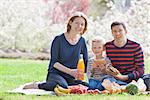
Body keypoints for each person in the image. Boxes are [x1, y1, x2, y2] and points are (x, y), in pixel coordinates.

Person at [23, 12, 89, 91]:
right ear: (70, 23)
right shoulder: (58, 39)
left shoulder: (82, 41)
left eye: (82, 24)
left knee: (88, 86)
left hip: (71, 77)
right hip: (56, 73)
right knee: (62, 86)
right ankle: (37, 85)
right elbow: (54, 62)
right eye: (77, 23)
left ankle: (66, 85)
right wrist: (70, 71)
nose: (79, 26)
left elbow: (86, 61)